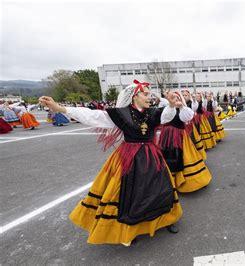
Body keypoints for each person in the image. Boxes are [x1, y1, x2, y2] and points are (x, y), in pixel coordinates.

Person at [38, 80, 182, 245]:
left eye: (149, 93)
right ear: (135, 97)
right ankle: (131, 228)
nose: (150, 96)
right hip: (130, 156)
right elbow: (93, 116)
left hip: (151, 155)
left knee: (160, 187)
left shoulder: (153, 112)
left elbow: (166, 117)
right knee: (128, 192)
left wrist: (171, 105)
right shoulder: (120, 113)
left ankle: (167, 220)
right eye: (145, 93)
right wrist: (60, 108)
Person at [159, 91, 212, 193]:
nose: (177, 99)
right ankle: (172, 181)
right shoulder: (167, 108)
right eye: (175, 98)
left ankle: (188, 180)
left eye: (179, 97)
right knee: (171, 157)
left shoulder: (184, 109)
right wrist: (171, 105)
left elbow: (187, 117)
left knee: (185, 157)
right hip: (169, 137)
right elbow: (164, 120)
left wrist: (182, 106)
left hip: (181, 136)